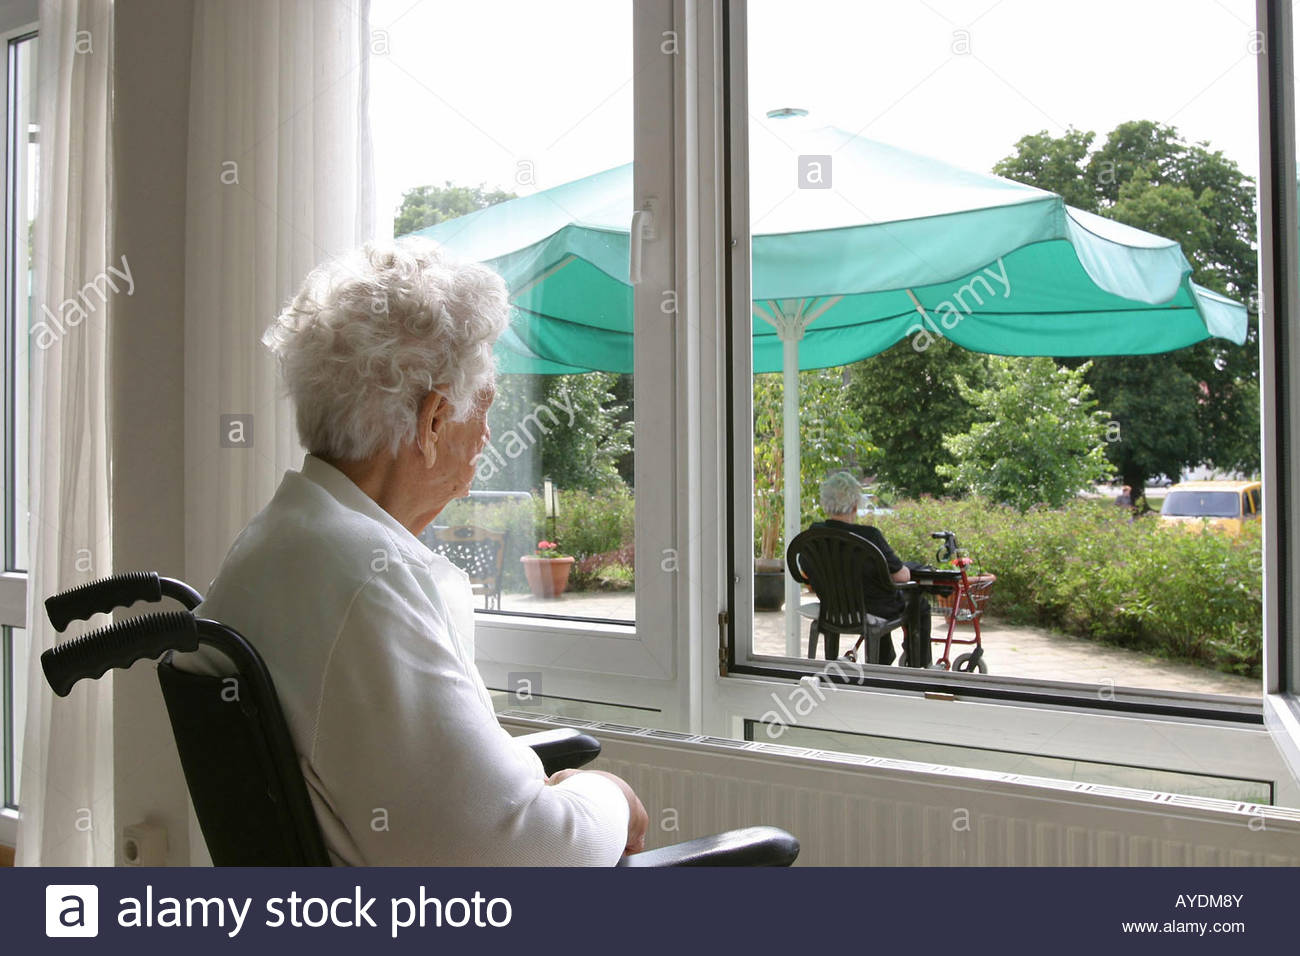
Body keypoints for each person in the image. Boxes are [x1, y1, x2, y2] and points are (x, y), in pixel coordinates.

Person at [177, 239, 646, 865]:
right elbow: (518, 858)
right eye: (484, 406)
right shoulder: (365, 580)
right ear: (431, 422)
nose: (485, 435)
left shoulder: (278, 543)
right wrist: (607, 794)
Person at [809, 471, 932, 666]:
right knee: (919, 604)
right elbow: (901, 576)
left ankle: (884, 658)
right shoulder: (870, 536)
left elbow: (805, 571)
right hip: (875, 609)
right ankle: (920, 666)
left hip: (831, 609)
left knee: (876, 594)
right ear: (855, 505)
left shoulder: (814, 534)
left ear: (825, 503)